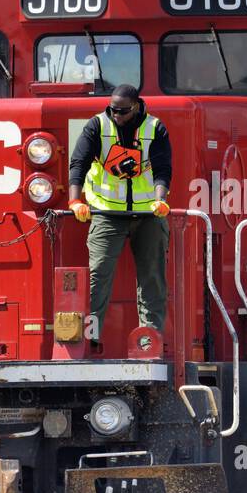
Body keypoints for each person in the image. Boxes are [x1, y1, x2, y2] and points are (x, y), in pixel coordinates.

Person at [67, 83, 172, 349]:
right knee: (97, 276)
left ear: (136, 106)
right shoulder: (97, 126)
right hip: (106, 212)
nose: (117, 115)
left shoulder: (155, 128)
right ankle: (90, 339)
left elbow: (162, 168)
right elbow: (78, 162)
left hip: (148, 212)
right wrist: (74, 200)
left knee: (152, 279)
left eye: (123, 111)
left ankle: (149, 343)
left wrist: (160, 200)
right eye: (113, 110)